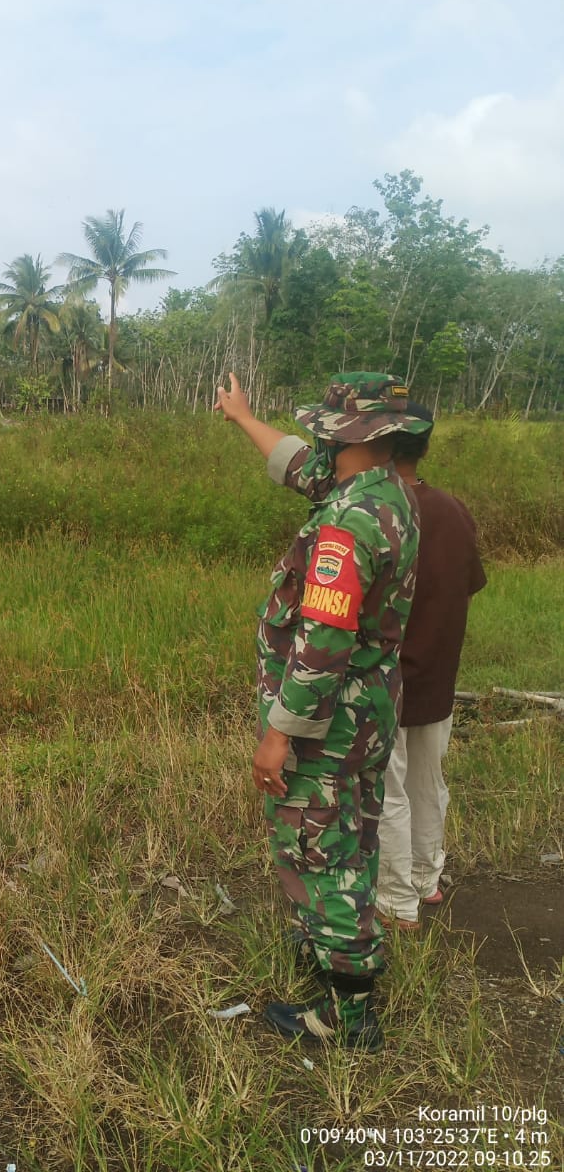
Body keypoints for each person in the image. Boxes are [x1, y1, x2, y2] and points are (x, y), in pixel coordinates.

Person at [214, 371, 429, 1052]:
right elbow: (301, 468)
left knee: (317, 847)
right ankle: (335, 948)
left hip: (329, 718)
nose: (319, 439)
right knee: (352, 834)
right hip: (369, 710)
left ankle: (347, 1013)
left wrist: (278, 734)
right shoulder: (388, 492)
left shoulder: (348, 523)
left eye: (329, 429)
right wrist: (244, 418)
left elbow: (322, 644)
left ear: (352, 435)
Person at [375, 406, 486, 929]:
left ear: (381, 448)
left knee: (387, 791)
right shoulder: (454, 511)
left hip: (386, 679)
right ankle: (426, 879)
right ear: (424, 449)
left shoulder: (377, 511)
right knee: (427, 784)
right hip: (438, 677)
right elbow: (468, 584)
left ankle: (397, 901)